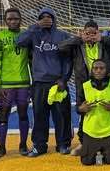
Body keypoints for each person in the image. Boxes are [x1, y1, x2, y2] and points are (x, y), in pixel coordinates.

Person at [58, 20, 110, 155]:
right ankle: (84, 142)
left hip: (103, 83)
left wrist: (102, 38)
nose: (91, 36)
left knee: (105, 110)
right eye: (88, 33)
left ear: (98, 33)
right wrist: (78, 38)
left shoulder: (104, 44)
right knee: (85, 112)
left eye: (94, 33)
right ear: (83, 33)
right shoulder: (77, 45)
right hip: (84, 84)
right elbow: (61, 47)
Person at [16, 8, 72, 156]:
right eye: (43, 17)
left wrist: (64, 79)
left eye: (49, 17)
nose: (46, 19)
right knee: (39, 115)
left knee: (62, 115)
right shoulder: (34, 34)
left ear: (54, 19)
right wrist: (36, 26)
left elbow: (68, 60)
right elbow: (19, 42)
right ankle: (39, 145)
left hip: (57, 83)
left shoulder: (62, 35)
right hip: (39, 83)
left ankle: (63, 144)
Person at [0, 8, 31, 159]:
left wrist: (32, 83)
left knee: (23, 114)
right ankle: (1, 147)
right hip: (5, 85)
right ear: (5, 21)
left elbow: (32, 62)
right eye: (10, 19)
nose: (13, 21)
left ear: (20, 19)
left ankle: (23, 144)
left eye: (16, 19)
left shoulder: (27, 36)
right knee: (3, 116)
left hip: (23, 83)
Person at [77, 59, 110, 165]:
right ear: (92, 71)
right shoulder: (84, 86)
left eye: (101, 68)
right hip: (91, 131)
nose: (98, 71)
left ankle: (109, 149)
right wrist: (82, 109)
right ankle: (98, 149)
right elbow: (78, 108)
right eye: (95, 68)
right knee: (86, 162)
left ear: (107, 70)